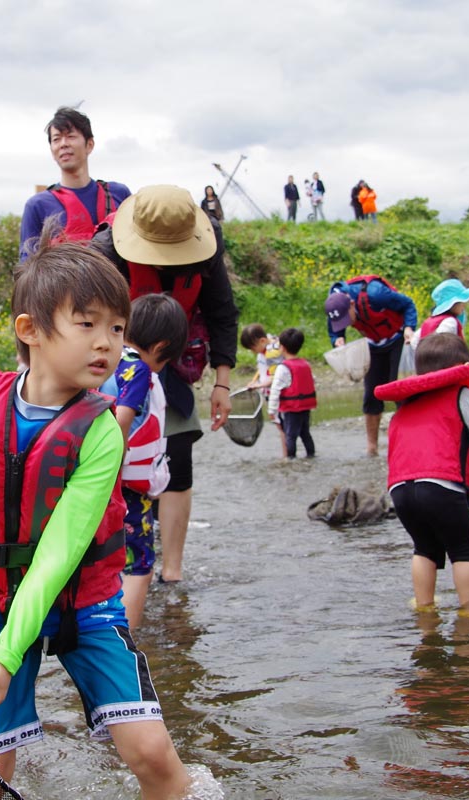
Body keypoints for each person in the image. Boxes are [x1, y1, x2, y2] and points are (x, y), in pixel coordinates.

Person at [0, 232, 193, 798]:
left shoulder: (102, 431)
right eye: (87, 324)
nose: (106, 343)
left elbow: (60, 554)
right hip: (4, 603)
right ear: (30, 330)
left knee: (154, 757)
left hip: (84, 602)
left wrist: (5, 659)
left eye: (116, 327)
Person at [92, 185, 239, 583]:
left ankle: (170, 569)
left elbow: (222, 313)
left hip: (168, 357)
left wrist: (221, 384)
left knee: (177, 458)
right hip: (110, 364)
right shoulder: (106, 250)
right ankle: (110, 565)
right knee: (108, 463)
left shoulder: (207, 248)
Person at [376, 333, 469, 611]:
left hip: (400, 490)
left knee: (424, 548)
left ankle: (424, 606)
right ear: (465, 366)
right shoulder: (462, 394)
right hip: (440, 486)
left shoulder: (407, 404)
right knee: (462, 550)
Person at [99, 294, 188, 629]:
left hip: (97, 484)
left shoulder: (106, 358)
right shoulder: (137, 370)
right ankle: (126, 640)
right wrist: (112, 472)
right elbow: (122, 421)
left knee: (104, 561)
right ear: (162, 346)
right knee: (139, 564)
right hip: (127, 492)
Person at [19, 106, 132, 259]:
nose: (63, 144)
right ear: (52, 150)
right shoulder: (37, 205)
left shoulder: (119, 194)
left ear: (89, 144)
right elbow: (26, 266)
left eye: (70, 136)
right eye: (56, 139)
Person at [325, 275, 418, 455]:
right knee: (371, 395)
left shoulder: (376, 294)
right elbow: (334, 329)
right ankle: (372, 448)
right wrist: (337, 339)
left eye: (347, 319)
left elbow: (408, 304)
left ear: (352, 304)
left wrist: (409, 327)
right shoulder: (335, 304)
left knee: (400, 390)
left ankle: (408, 442)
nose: (347, 324)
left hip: (397, 338)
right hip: (373, 343)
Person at [266, 327, 317, 459]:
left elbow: (275, 390)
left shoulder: (283, 368)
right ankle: (311, 455)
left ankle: (290, 459)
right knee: (306, 433)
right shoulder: (305, 364)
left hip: (292, 409)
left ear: (282, 348)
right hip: (305, 406)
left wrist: (271, 411)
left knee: (290, 435)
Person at [240, 323, 287, 457]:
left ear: (262, 341)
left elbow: (275, 377)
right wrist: (255, 379)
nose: (253, 352)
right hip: (270, 393)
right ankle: (287, 455)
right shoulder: (264, 349)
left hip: (278, 394)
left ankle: (286, 456)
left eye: (253, 348)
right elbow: (262, 368)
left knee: (282, 426)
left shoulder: (272, 353)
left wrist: (258, 386)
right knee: (281, 426)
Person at [416, 278, 469, 344]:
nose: (464, 305)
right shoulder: (450, 322)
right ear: (453, 305)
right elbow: (439, 345)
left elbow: (414, 342)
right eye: (461, 302)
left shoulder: (430, 321)